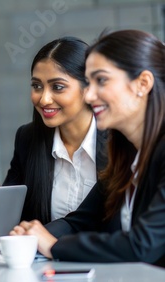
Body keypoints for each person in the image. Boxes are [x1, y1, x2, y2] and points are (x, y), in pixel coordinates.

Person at [10, 29, 165, 267]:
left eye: (101, 81)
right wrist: (31, 234)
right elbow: (82, 219)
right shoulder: (126, 151)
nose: (89, 95)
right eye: (89, 82)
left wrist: (53, 246)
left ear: (142, 83)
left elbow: (141, 244)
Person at [3, 37, 108, 224]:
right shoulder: (27, 139)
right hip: (45, 253)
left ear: (88, 88)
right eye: (37, 86)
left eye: (57, 87)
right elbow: (8, 214)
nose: (44, 99)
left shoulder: (119, 141)